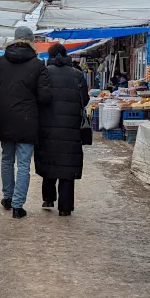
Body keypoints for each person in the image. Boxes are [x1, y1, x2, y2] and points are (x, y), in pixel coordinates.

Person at [0, 26, 52, 219]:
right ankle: (18, 206)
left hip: (5, 117)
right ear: (31, 42)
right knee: (23, 165)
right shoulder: (38, 65)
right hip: (28, 119)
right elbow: (45, 96)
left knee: (6, 159)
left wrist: (2, 96)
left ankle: (7, 198)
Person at [35, 44, 88, 217]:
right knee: (67, 166)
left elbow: (39, 98)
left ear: (49, 56)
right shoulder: (78, 74)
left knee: (49, 160)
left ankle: (49, 198)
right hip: (71, 128)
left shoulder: (44, 73)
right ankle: (65, 208)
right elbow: (84, 100)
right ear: (66, 55)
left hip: (47, 125)